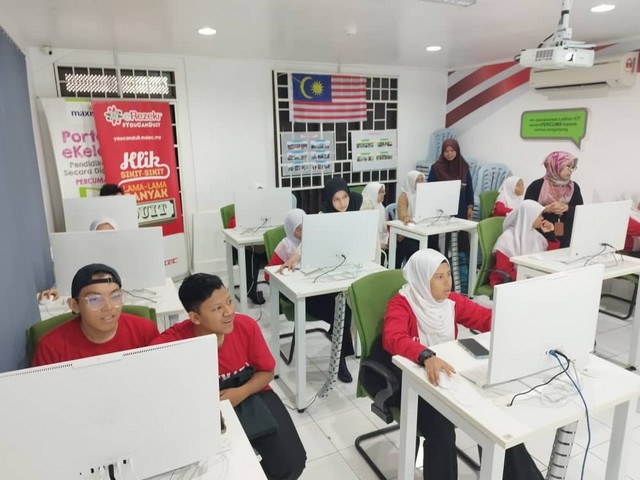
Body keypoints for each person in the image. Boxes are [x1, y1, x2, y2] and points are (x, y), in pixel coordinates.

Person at [380, 249, 543, 480]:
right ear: (421, 279)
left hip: (447, 377)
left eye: (448, 274)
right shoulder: (402, 303)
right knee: (441, 431)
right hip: (413, 383)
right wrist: (426, 355)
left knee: (493, 418)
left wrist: (516, 320)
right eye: (439, 277)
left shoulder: (451, 302)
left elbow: (484, 318)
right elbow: (393, 337)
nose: (448, 282)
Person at [149, 273, 306, 480]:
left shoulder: (246, 326)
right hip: (202, 406)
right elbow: (150, 375)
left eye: (229, 301)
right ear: (195, 318)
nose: (229, 311)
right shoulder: (175, 341)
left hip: (250, 392)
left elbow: (267, 371)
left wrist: (242, 392)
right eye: (217, 308)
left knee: (292, 462)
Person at [266, 208, 355, 383]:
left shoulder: (317, 240)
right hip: (300, 295)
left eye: (305, 227)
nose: (303, 232)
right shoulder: (285, 245)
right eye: (299, 229)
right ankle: (340, 358)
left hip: (320, 287)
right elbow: (268, 274)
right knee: (340, 313)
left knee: (345, 308)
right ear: (290, 229)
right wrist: (288, 268)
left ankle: (339, 356)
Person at [32, 263, 159, 366]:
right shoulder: (51, 348)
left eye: (115, 296)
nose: (108, 307)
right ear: (74, 305)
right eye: (94, 300)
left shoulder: (145, 331)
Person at [426, 139, 475, 281]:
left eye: (452, 151)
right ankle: (441, 273)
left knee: (461, 242)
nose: (449, 154)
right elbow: (430, 188)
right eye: (446, 151)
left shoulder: (463, 167)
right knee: (443, 242)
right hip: (442, 210)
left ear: (457, 151)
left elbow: (469, 188)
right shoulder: (436, 168)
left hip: (460, 208)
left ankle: (461, 277)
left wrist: (470, 206)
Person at [490, 200, 559, 286]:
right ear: (529, 217)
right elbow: (504, 271)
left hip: (529, 278)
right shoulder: (507, 238)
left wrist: (550, 234)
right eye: (539, 215)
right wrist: (529, 279)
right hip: (510, 282)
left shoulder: (535, 234)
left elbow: (549, 257)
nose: (542, 218)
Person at [524, 151, 583, 248]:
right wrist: (546, 209)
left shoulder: (573, 187)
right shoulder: (537, 186)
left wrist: (567, 208)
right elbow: (526, 212)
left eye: (573, 167)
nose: (571, 170)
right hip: (540, 237)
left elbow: (581, 212)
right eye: (568, 166)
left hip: (567, 238)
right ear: (555, 165)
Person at [395, 170, 424, 267]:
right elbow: (402, 210)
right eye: (417, 180)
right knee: (413, 247)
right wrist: (406, 217)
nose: (420, 183)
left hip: (421, 230)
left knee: (433, 243)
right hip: (406, 234)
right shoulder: (404, 195)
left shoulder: (424, 194)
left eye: (422, 180)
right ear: (411, 181)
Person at [361, 182, 389, 263]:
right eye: (380, 192)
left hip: (380, 240)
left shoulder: (381, 207)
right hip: (368, 243)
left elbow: (384, 229)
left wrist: (385, 241)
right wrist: (380, 243)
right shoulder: (365, 206)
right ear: (373, 192)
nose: (383, 194)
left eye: (383, 192)